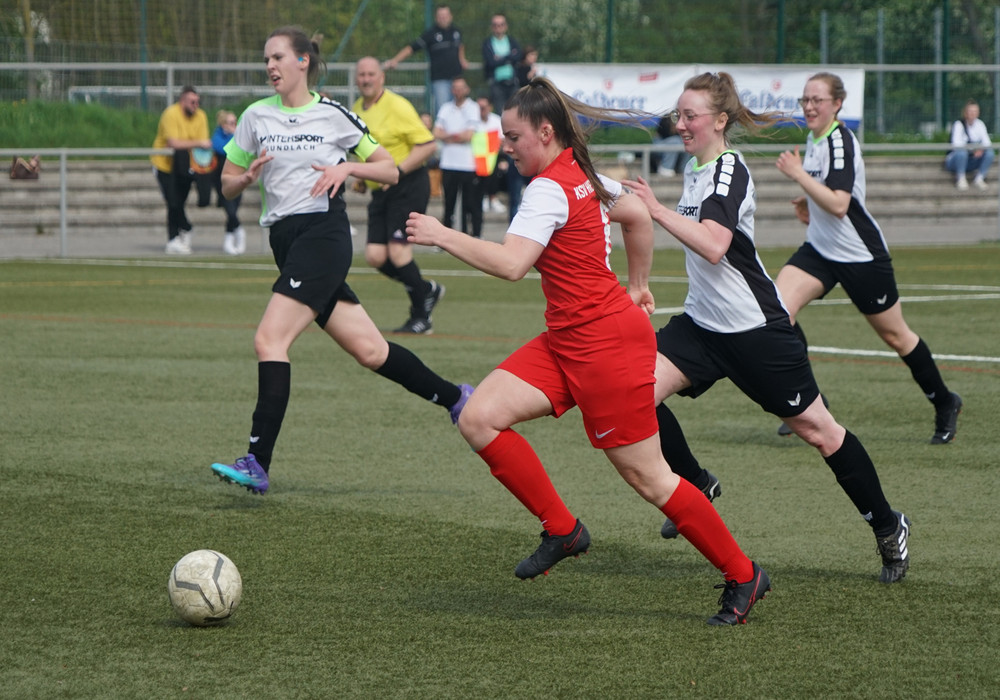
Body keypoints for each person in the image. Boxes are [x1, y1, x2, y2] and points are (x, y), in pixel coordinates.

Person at [406, 76, 770, 626]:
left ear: (544, 132)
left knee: (651, 479)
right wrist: (638, 283)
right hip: (569, 339)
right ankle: (563, 529)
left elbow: (511, 265)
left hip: (605, 347)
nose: (506, 147)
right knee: (479, 417)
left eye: (513, 137)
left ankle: (744, 575)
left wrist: (441, 234)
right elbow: (637, 215)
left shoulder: (551, 188)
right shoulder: (582, 175)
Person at [621, 71, 911, 584]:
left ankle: (889, 526)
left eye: (690, 116)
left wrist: (657, 209)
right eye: (678, 115)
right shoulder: (695, 167)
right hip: (702, 328)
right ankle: (697, 483)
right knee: (631, 391)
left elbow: (713, 244)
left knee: (821, 433)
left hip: (756, 331)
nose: (680, 124)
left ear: (720, 120)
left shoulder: (729, 169)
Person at [210, 26, 473, 495]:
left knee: (269, 339)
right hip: (286, 242)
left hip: (323, 236)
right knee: (371, 351)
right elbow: (226, 182)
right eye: (266, 58)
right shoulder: (254, 117)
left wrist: (349, 166)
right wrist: (243, 179)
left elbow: (390, 169)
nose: (270, 66)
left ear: (302, 62)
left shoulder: (333, 114)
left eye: (277, 57)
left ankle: (257, 460)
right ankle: (458, 398)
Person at [774, 72, 962, 444]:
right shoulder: (814, 139)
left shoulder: (840, 140)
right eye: (805, 100)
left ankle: (945, 401)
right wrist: (807, 202)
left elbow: (841, 205)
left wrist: (798, 176)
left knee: (896, 335)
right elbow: (828, 195)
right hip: (820, 250)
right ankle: (813, 406)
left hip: (860, 255)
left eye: (818, 100)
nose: (809, 106)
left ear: (838, 104)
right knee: (776, 311)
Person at [352, 56, 445, 335]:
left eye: (371, 74)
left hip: (408, 185)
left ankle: (421, 317)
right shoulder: (357, 108)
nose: (366, 79)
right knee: (375, 256)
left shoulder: (397, 106)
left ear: (382, 77)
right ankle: (425, 288)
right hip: (381, 190)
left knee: (398, 251)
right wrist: (362, 177)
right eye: (362, 75)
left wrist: (398, 172)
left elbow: (428, 145)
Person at [151, 86, 213, 255]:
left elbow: (204, 143)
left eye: (198, 102)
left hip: (186, 165)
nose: (196, 105)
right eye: (192, 102)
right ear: (183, 101)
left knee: (179, 202)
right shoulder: (171, 114)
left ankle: (175, 238)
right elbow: (174, 143)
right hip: (165, 165)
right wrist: (197, 143)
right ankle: (183, 230)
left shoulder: (201, 116)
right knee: (173, 201)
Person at [383, 4, 469, 118]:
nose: (443, 18)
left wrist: (462, 59)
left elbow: (460, 46)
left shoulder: (456, 31)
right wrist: (395, 60)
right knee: (443, 111)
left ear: (450, 16)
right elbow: (411, 48)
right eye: (440, 16)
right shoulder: (431, 33)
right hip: (440, 80)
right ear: (436, 17)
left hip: (457, 80)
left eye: (445, 15)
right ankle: (442, 136)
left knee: (461, 110)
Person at [434, 77, 482, 237]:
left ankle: (469, 235)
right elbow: (436, 132)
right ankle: (446, 236)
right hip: (448, 163)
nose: (458, 91)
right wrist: (457, 135)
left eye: (461, 87)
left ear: (467, 89)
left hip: (467, 164)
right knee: (448, 203)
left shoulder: (473, 107)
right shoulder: (446, 108)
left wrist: (447, 136)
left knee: (469, 203)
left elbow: (469, 135)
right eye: (455, 87)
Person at [211, 110, 246, 256]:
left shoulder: (240, 136)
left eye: (235, 122)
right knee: (229, 208)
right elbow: (220, 147)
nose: (235, 126)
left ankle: (228, 239)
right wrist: (234, 137)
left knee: (235, 208)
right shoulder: (218, 136)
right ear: (223, 125)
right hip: (221, 178)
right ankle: (239, 231)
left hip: (238, 176)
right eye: (231, 123)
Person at [944, 98, 995, 190]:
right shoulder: (959, 124)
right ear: (965, 112)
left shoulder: (980, 124)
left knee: (990, 153)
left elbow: (987, 143)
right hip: (956, 160)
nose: (972, 113)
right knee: (961, 153)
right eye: (970, 111)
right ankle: (961, 178)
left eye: (975, 111)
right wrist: (972, 151)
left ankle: (979, 178)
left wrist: (980, 149)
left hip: (972, 160)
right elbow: (956, 145)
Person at [481, 13, 523, 115]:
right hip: (496, 84)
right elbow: (491, 62)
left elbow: (518, 56)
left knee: (516, 112)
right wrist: (509, 57)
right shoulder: (487, 43)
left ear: (506, 26)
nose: (498, 27)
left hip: (512, 82)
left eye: (501, 24)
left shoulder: (512, 41)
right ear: (492, 27)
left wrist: (500, 58)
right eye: (495, 25)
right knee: (501, 113)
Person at [472, 93, 506, 216]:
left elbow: (502, 140)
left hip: (493, 156)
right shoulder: (472, 121)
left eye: (484, 107)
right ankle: (485, 197)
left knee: (495, 165)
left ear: (490, 107)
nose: (481, 110)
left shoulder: (496, 120)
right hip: (475, 158)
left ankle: (492, 197)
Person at [651, 113, 690, 177]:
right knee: (675, 141)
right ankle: (665, 168)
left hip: (675, 145)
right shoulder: (666, 122)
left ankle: (684, 171)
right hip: (658, 146)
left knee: (685, 142)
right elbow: (659, 135)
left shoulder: (680, 134)